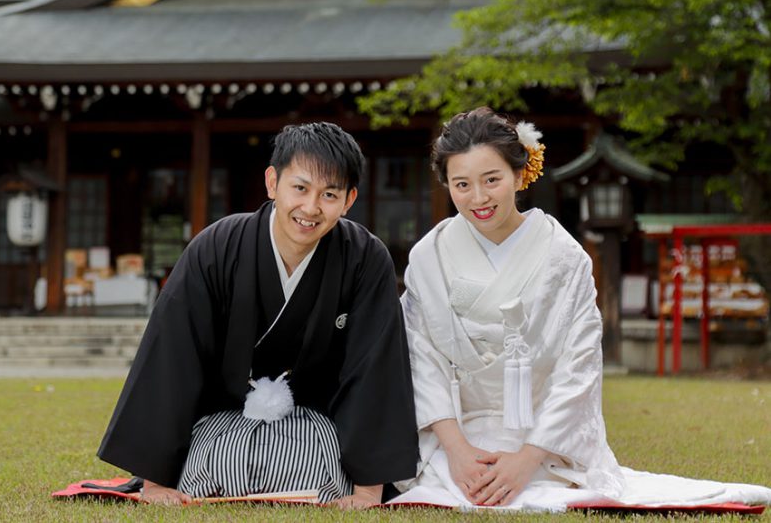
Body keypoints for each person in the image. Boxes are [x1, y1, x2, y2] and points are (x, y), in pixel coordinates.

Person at [394, 107, 771, 511]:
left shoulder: (563, 256)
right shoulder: (430, 256)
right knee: (447, 483)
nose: (478, 198)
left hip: (540, 436)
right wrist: (457, 451)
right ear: (447, 184)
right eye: (461, 184)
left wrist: (526, 458)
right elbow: (421, 357)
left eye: (492, 180)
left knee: (538, 486)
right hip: (457, 432)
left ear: (519, 175)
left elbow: (579, 364)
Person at [98, 122, 419, 507]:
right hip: (223, 421)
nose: (311, 208)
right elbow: (173, 355)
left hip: (316, 427)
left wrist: (368, 490)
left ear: (348, 200)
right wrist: (154, 483)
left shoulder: (364, 258)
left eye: (329, 194)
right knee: (212, 468)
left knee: (316, 474)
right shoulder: (216, 248)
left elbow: (375, 369)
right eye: (299, 188)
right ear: (272, 182)